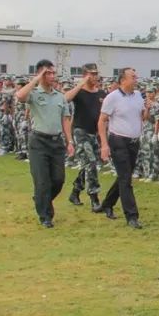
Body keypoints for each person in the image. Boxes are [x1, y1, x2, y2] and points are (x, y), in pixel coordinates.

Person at [15, 60, 74, 228]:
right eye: (48, 73)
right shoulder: (34, 94)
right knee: (42, 181)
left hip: (56, 142)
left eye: (53, 73)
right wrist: (36, 79)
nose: (52, 76)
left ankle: (41, 199)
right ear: (40, 75)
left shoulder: (59, 96)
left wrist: (70, 141)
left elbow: (65, 120)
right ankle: (46, 216)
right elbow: (20, 96)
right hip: (39, 142)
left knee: (58, 180)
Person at [95, 68, 146, 229]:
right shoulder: (113, 97)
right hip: (118, 141)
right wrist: (104, 145)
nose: (136, 78)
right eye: (133, 76)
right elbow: (102, 121)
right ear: (123, 80)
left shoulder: (138, 95)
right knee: (126, 179)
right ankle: (132, 216)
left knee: (125, 176)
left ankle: (107, 204)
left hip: (134, 142)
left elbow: (143, 117)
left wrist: (148, 109)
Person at [64, 63, 106, 210]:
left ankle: (75, 192)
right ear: (85, 75)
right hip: (80, 132)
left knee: (88, 165)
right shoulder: (79, 92)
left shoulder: (101, 93)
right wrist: (80, 84)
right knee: (91, 163)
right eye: (91, 74)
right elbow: (65, 99)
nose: (95, 77)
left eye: (96, 73)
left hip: (94, 133)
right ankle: (94, 198)